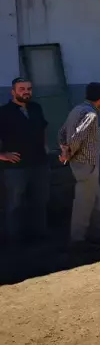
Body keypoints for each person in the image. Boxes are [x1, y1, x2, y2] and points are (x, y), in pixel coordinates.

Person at [58, 83, 100, 250]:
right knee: (84, 202)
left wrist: (64, 148)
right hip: (86, 164)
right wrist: (68, 152)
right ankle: (78, 239)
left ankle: (98, 232)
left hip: (83, 163)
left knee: (95, 199)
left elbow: (62, 132)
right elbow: (77, 136)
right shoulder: (90, 114)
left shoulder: (77, 109)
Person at [0, 78, 49, 245]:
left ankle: (39, 237)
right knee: (14, 204)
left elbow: (43, 129)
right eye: (21, 89)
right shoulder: (4, 112)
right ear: (13, 92)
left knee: (40, 201)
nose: (26, 91)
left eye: (28, 88)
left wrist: (45, 147)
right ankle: (14, 240)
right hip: (16, 166)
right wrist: (2, 155)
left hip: (39, 162)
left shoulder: (36, 108)